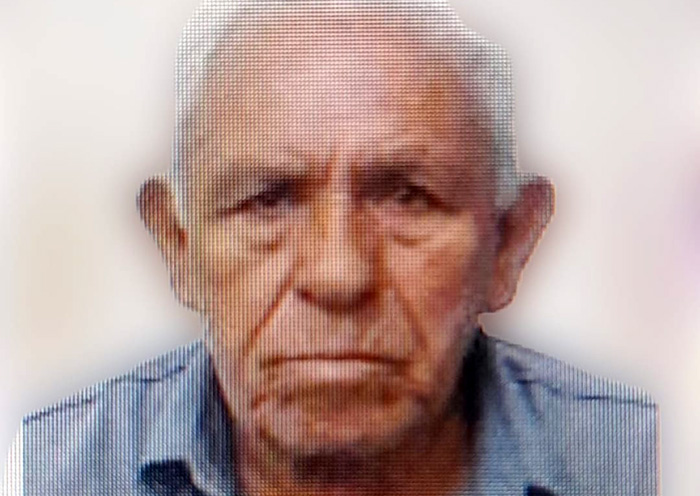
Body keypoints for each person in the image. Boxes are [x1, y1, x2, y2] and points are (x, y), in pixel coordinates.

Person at [11, 0, 658, 495]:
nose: (339, 274)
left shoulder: (644, 464)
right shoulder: (42, 471)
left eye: (407, 197)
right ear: (179, 247)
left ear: (509, 242)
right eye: (268, 201)